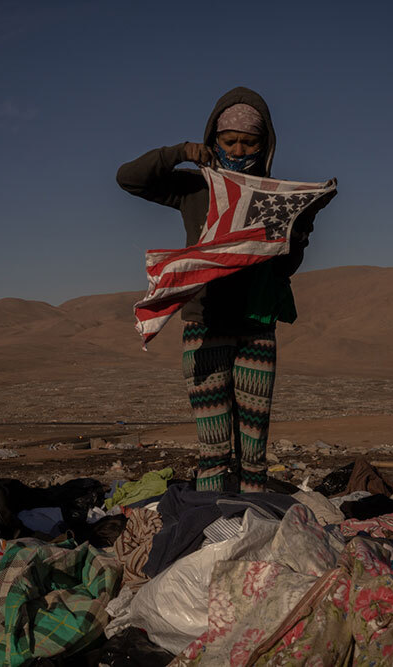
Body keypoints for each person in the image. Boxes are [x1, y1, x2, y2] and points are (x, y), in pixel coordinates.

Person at [116, 87, 327, 493]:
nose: (238, 149)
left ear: (265, 145)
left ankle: (251, 530)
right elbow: (129, 178)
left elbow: (285, 268)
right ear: (213, 140)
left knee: (254, 452)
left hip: (257, 328)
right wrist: (181, 151)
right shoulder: (194, 188)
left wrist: (299, 231)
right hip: (204, 326)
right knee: (212, 450)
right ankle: (213, 533)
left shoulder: (274, 198)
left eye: (249, 142)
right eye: (229, 141)